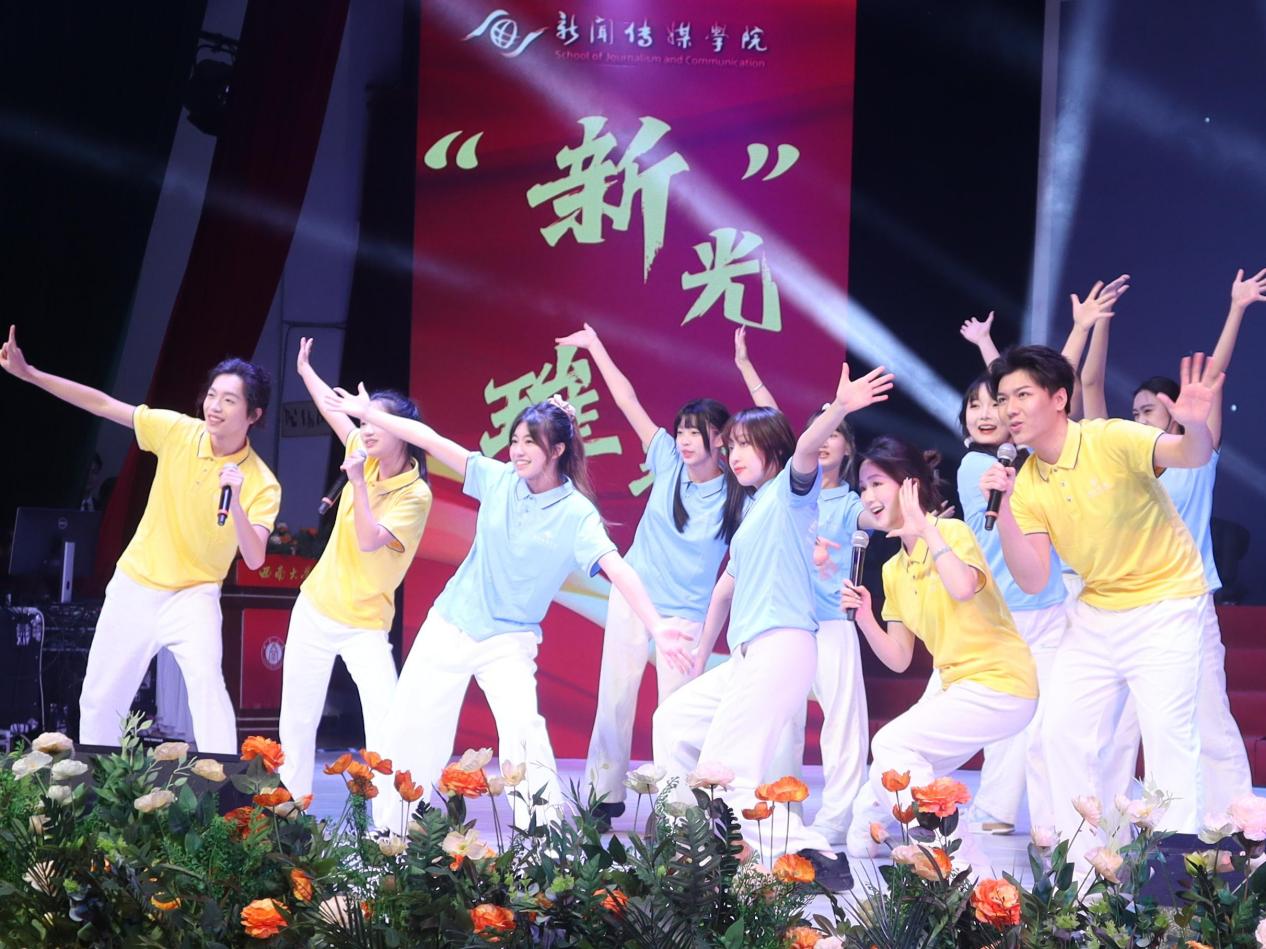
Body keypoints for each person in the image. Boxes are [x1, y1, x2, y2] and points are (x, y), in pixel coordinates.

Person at [322, 384, 693, 833]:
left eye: (529, 442)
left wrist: (657, 626)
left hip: (509, 640)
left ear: (557, 450)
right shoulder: (497, 479)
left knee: (524, 734)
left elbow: (619, 569)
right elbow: (429, 439)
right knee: (408, 727)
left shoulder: (576, 513)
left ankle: (543, 837)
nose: (517, 450)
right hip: (451, 622)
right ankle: (392, 831)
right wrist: (369, 413)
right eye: (515, 440)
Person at [653, 360, 893, 888]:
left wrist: (841, 406)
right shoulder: (754, 513)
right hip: (748, 654)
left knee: (728, 773)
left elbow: (806, 449)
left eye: (744, 444)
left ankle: (810, 852)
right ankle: (687, 836)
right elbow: (724, 590)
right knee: (672, 721)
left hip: (782, 645)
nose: (733, 454)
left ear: (773, 450)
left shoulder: (791, 492)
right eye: (730, 446)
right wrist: (700, 656)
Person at [982, 345, 1221, 870]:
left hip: (1165, 601)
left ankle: (1174, 881)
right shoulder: (1025, 482)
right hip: (1095, 611)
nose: (1009, 409)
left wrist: (1195, 425)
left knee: (1167, 738)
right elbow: (1033, 577)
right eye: (1002, 399)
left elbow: (1192, 455)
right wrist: (1004, 512)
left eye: (1022, 395)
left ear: (1059, 398)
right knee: (1058, 733)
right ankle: (1083, 872)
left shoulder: (1110, 438)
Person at [0, 325, 279, 753]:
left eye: (229, 400)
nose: (215, 406)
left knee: (207, 686)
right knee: (100, 698)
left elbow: (255, 558)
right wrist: (31, 374)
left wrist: (237, 503)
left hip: (195, 593)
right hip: (137, 582)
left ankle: (224, 782)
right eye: (212, 395)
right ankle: (97, 784)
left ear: (253, 414)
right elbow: (103, 404)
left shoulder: (262, 481)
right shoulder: (178, 431)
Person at [1078, 267, 1264, 816]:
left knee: (1210, 717)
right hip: (1128, 605)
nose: (1136, 417)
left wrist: (1236, 308)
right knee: (1118, 729)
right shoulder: (1121, 458)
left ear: (1176, 410)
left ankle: (1237, 824)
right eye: (1134, 412)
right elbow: (1089, 386)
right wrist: (1099, 323)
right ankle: (1106, 834)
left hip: (1188, 603)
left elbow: (1213, 376)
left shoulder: (1196, 454)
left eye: (1147, 410)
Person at [553, 323, 740, 827]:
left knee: (675, 714)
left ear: (720, 439)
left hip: (686, 616)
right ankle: (603, 796)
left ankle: (677, 807)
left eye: (695, 432)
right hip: (634, 596)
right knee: (615, 696)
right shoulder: (667, 461)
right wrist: (596, 346)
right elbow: (628, 399)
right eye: (681, 430)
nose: (684, 439)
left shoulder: (737, 493)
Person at [840, 437, 1037, 868]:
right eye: (863, 487)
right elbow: (898, 658)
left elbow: (963, 587)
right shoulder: (892, 569)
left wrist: (927, 528)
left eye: (877, 483)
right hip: (959, 688)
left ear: (909, 485)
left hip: (1001, 682)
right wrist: (866, 617)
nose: (868, 496)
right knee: (892, 770)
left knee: (890, 741)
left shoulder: (951, 533)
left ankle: (956, 858)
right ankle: (879, 832)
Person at [732, 328, 871, 856]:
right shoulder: (782, 491)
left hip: (830, 620)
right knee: (780, 725)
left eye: (836, 432)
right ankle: (778, 814)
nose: (826, 439)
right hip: (787, 624)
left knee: (841, 724)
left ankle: (837, 820)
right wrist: (746, 367)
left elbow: (884, 516)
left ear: (847, 447)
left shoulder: (851, 502)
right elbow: (776, 424)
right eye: (820, 430)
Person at [277, 338, 433, 802]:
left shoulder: (415, 494)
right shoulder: (362, 449)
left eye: (375, 422)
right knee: (297, 720)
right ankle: (291, 816)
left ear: (402, 432)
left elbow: (368, 540)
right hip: (316, 607)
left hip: (366, 622)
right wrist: (305, 370)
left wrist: (359, 483)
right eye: (363, 422)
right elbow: (332, 407)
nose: (365, 430)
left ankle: (390, 826)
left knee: (384, 726)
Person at [951, 374, 1068, 837]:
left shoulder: (1035, 466)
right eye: (974, 405)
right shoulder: (976, 466)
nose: (984, 414)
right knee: (1007, 714)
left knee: (1047, 722)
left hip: (1050, 606)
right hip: (1001, 610)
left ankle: (1047, 822)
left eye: (995, 403)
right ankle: (994, 808)